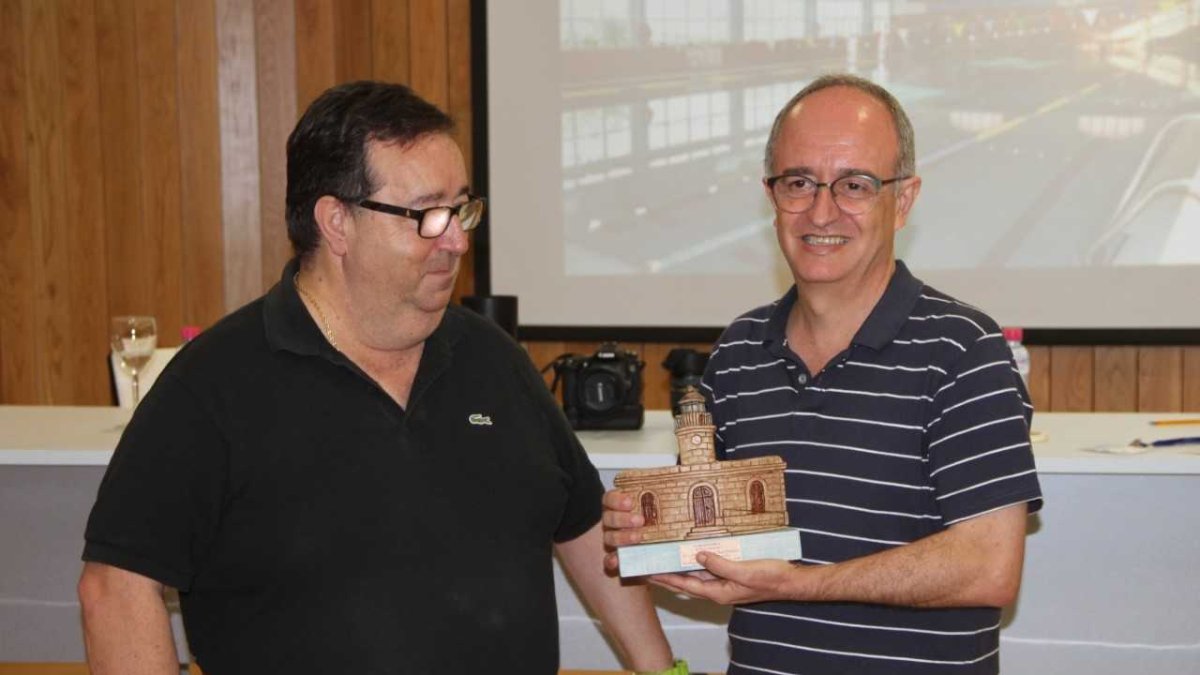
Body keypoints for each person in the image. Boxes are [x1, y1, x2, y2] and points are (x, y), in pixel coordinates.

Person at [79, 81, 678, 675]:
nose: (458, 239)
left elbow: (580, 524)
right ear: (336, 222)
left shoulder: (493, 358)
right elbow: (116, 588)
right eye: (429, 214)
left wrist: (661, 669)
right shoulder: (213, 385)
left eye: (463, 207)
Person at [603, 74, 1043, 674]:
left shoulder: (964, 350)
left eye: (855, 184)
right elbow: (715, 537)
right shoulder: (738, 352)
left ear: (904, 199)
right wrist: (649, 538)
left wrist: (794, 584)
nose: (821, 210)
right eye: (799, 182)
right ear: (771, 194)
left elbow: (988, 567)